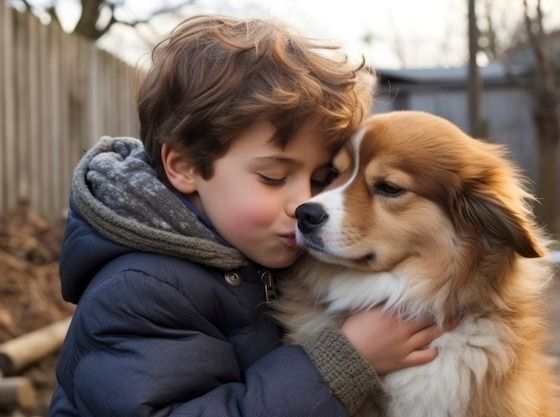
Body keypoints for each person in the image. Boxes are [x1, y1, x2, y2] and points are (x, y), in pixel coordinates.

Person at [49, 14, 444, 417]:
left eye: (323, 178)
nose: (305, 202)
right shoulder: (141, 291)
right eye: (273, 177)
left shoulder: (259, 246)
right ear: (184, 166)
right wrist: (342, 361)